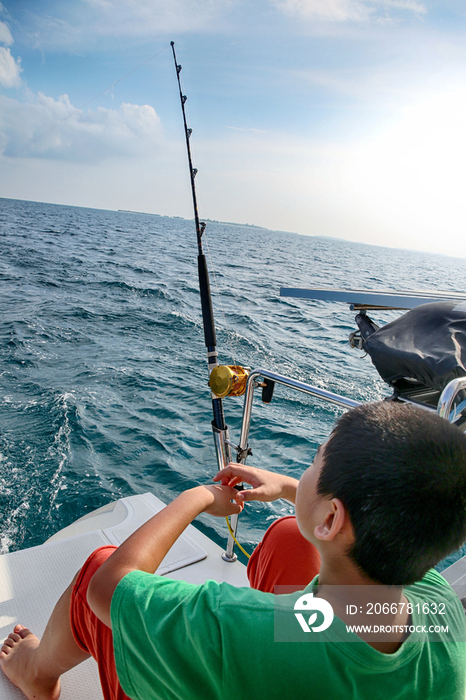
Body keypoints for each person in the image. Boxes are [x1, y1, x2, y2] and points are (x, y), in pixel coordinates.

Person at [2, 401, 466, 700]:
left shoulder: (234, 627)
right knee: (288, 535)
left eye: (311, 462)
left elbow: (110, 588)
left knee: (97, 568)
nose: (302, 472)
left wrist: (197, 497)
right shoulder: (441, 605)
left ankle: (36, 675)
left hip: (265, 657)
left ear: (331, 519)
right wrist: (287, 488)